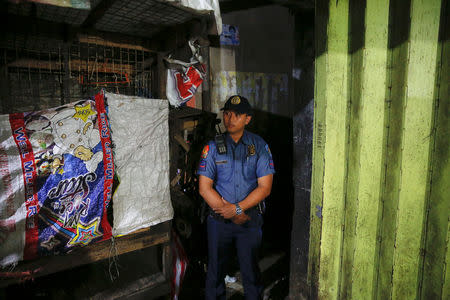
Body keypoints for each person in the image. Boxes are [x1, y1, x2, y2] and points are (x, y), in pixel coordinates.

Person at [198, 95, 275, 300]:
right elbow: (204, 188)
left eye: (237, 115)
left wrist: (238, 209)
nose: (230, 118)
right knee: (215, 272)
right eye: (227, 113)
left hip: (249, 220)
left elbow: (265, 187)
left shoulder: (259, 146)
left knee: (250, 272)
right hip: (219, 220)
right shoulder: (212, 147)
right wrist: (231, 214)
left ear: (247, 119)